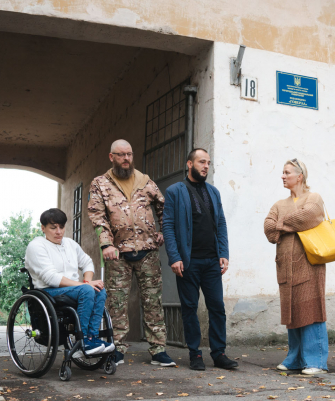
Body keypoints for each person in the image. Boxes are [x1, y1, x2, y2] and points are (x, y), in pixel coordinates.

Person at [88, 139, 174, 367]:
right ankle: (117, 349)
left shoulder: (146, 182)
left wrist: (163, 231)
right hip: (118, 254)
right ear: (111, 157)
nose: (126, 159)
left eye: (129, 154)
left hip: (148, 252)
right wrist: (106, 244)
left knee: (153, 302)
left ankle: (158, 350)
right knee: (116, 304)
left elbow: (164, 207)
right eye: (121, 155)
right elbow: (97, 215)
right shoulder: (100, 184)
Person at [162, 148, 237, 371]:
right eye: (201, 162)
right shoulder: (175, 191)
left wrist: (223, 253)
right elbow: (168, 225)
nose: (206, 166)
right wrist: (174, 257)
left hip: (212, 261)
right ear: (189, 164)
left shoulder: (213, 192)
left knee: (217, 307)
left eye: (208, 162)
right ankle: (195, 354)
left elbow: (221, 223)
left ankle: (219, 353)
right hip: (188, 261)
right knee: (189, 307)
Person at [264, 159, 328, 375]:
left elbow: (307, 217)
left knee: (311, 310)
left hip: (309, 265)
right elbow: (268, 229)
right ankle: (295, 359)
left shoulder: (314, 198)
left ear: (299, 176)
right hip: (285, 267)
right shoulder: (278, 204)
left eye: (287, 172)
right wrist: (283, 227)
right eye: (282, 172)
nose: (282, 176)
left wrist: (281, 225)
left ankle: (316, 361)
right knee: (292, 312)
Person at [25, 208, 113, 358]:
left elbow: (87, 262)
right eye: (53, 228)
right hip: (48, 291)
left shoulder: (70, 244)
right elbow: (51, 278)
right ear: (43, 228)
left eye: (61, 227)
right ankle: (82, 340)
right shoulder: (36, 246)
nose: (58, 231)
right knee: (88, 290)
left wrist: (87, 281)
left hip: (73, 289)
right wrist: (85, 286)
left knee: (99, 290)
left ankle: (92, 338)